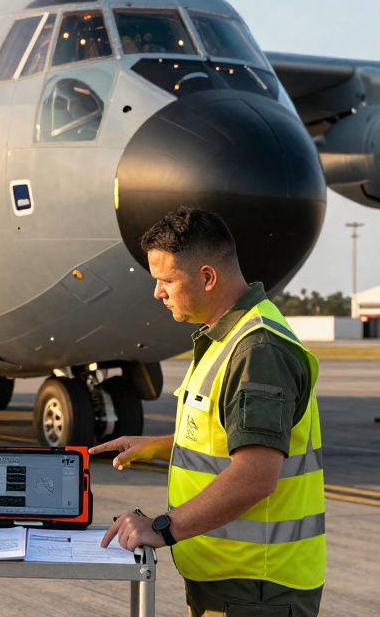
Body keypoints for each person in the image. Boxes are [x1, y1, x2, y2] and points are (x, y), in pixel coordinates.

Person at [92, 206, 325, 617]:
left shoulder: (258, 351)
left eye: (166, 280)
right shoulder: (229, 337)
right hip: (233, 584)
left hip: (255, 590)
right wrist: (163, 445)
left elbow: (255, 475)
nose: (157, 293)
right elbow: (231, 434)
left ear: (206, 277)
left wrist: (161, 527)